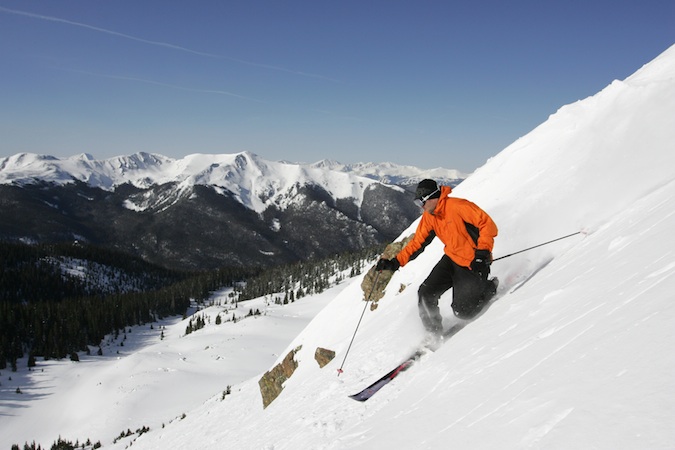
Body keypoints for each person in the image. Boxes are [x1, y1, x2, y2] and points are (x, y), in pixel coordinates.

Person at [376, 179, 498, 335]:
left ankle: (489, 288)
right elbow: (417, 243)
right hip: (451, 259)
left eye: (422, 202)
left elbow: (487, 225)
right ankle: (434, 333)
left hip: (473, 263)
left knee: (463, 312)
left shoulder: (458, 207)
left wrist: (482, 254)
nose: (421, 207)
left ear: (433, 197)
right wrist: (395, 262)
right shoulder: (430, 216)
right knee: (425, 294)